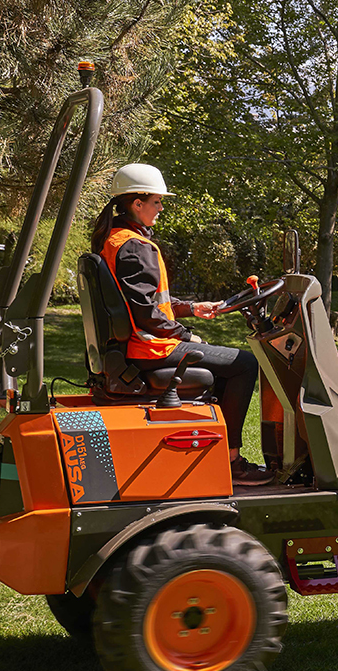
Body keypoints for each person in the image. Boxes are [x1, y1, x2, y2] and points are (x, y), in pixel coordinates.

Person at [90, 163, 271, 484]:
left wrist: (191, 308)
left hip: (137, 344)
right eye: (157, 202)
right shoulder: (135, 247)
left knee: (229, 364)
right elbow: (146, 313)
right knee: (244, 363)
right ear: (137, 204)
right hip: (150, 347)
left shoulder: (114, 239)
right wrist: (188, 336)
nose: (160, 209)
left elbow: (141, 301)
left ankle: (215, 450)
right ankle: (231, 461)